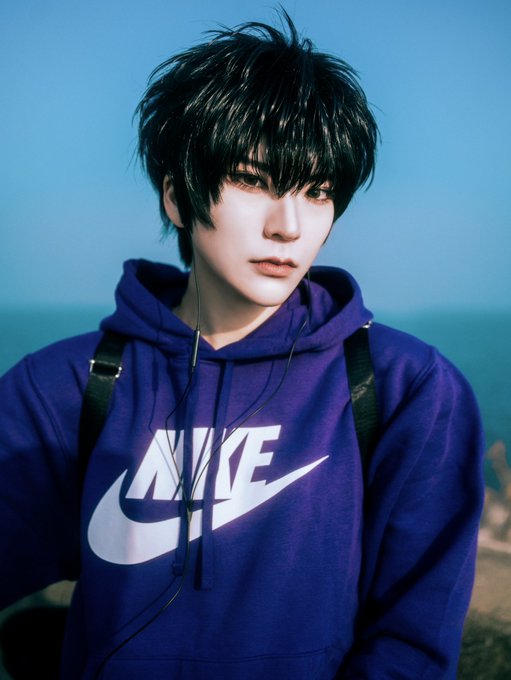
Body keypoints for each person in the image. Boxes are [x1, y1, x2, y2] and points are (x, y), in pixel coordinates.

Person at [0, 12, 484, 679]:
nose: (289, 225)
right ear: (177, 197)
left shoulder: (405, 386)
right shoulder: (63, 385)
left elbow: (413, 637)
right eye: (253, 180)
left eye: (317, 191)